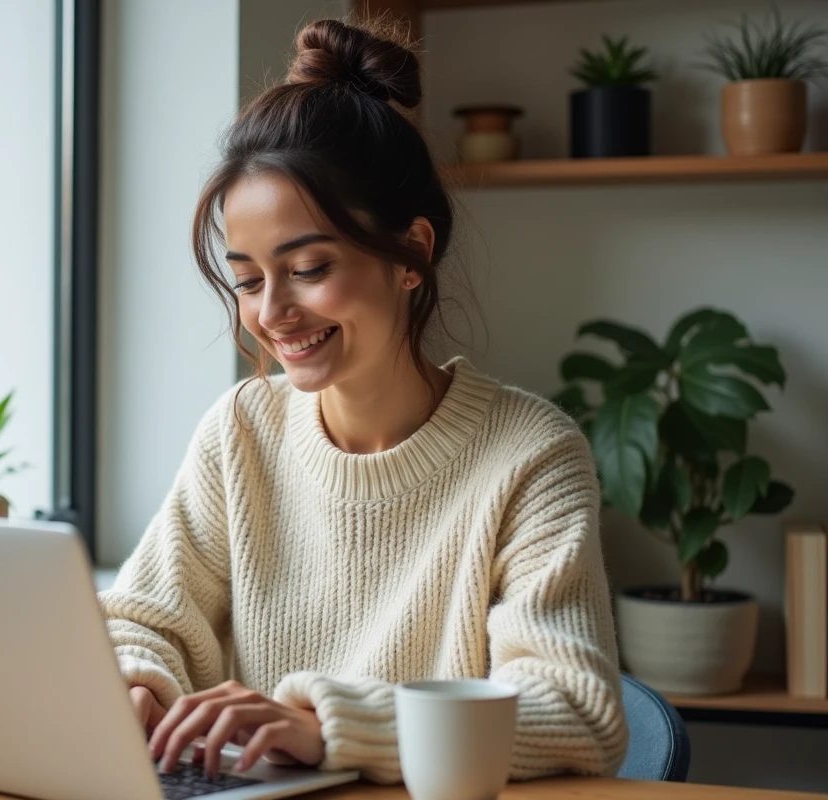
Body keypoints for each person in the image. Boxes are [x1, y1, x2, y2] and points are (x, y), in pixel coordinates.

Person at [98, 16, 627, 785]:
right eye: (246, 279)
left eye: (309, 269)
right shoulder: (241, 431)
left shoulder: (531, 455)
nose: (271, 313)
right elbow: (143, 620)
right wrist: (137, 686)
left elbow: (577, 711)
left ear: (411, 252)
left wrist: (327, 727)